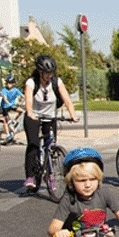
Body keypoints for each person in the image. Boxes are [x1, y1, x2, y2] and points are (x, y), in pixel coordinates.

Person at [24, 54, 78, 190]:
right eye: (46, 73)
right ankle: (30, 177)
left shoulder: (56, 82)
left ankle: (50, 175)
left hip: (50, 117)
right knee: (34, 144)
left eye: (51, 73)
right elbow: (28, 101)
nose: (49, 75)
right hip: (34, 116)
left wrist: (73, 115)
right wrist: (30, 113)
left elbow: (66, 99)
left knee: (51, 146)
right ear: (40, 72)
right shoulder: (31, 82)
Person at [0, 76, 23, 142]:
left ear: (13, 84)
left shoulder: (16, 90)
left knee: (21, 111)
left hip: (12, 105)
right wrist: (8, 103)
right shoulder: (4, 90)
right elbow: (4, 98)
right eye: (7, 83)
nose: (8, 84)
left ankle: (14, 121)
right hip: (5, 106)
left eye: (10, 83)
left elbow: (22, 96)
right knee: (5, 121)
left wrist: (26, 100)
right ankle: (8, 135)